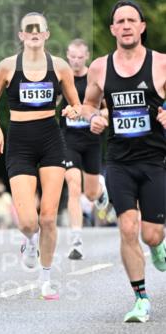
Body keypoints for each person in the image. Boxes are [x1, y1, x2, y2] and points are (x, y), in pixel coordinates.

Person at [0, 11, 82, 300]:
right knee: (29, 221)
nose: (34, 33)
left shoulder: (61, 67)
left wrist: (73, 110)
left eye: (39, 29)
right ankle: (29, 240)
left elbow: (76, 104)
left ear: (47, 34)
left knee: (49, 217)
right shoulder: (6, 67)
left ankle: (46, 278)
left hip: (51, 139)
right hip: (19, 141)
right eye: (29, 29)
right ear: (21, 35)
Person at [81, 0, 166, 323]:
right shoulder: (100, 67)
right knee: (127, 228)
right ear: (113, 29)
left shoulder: (160, 63)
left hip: (155, 160)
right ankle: (141, 298)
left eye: (133, 20)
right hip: (118, 161)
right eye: (120, 21)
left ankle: (158, 246)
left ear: (143, 27)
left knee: (151, 234)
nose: (127, 25)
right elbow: (89, 104)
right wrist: (94, 118)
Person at [61, 38, 110, 259]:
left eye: (80, 57)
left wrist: (95, 115)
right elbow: (50, 104)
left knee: (90, 194)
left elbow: (111, 110)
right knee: (73, 186)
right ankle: (76, 240)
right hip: (68, 140)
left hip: (91, 140)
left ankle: (100, 190)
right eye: (72, 56)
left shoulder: (96, 77)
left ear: (87, 56)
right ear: (67, 56)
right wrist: (63, 111)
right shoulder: (63, 77)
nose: (76, 61)